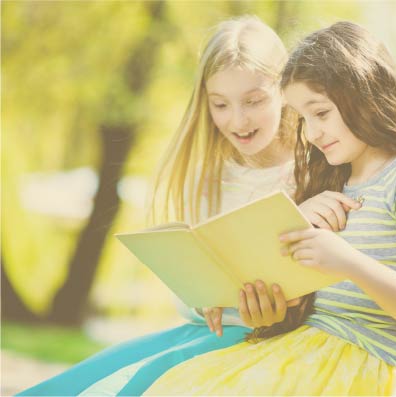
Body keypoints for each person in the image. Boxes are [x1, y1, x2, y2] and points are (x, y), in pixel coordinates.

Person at [144, 21, 396, 396]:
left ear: (363, 94)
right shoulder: (334, 180)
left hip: (369, 369)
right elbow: (304, 300)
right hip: (308, 353)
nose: (310, 133)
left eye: (320, 113)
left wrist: (347, 260)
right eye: (303, 118)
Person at [18, 15, 300, 396]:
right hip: (208, 334)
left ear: (284, 90)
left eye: (254, 101)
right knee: (87, 383)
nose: (238, 120)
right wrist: (204, 301)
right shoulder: (207, 177)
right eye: (220, 104)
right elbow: (190, 296)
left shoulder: (314, 169)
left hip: (275, 341)